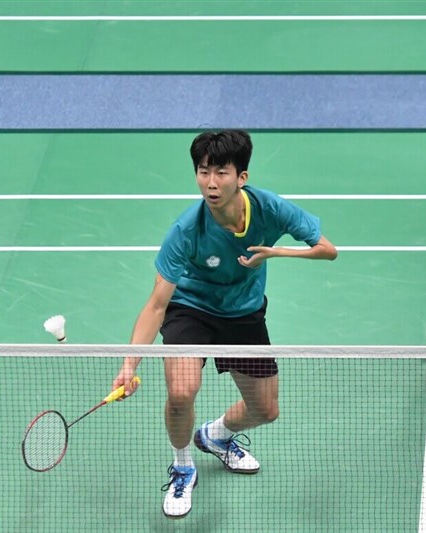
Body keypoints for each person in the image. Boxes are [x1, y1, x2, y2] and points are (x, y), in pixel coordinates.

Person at [112, 129, 337, 518]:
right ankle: (183, 467)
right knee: (182, 391)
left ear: (241, 177)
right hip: (190, 308)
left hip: (243, 312)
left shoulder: (271, 209)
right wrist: (130, 364)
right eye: (203, 172)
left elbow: (327, 250)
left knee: (265, 410)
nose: (211, 183)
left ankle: (214, 436)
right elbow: (155, 305)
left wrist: (274, 252)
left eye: (221, 172)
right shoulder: (187, 230)